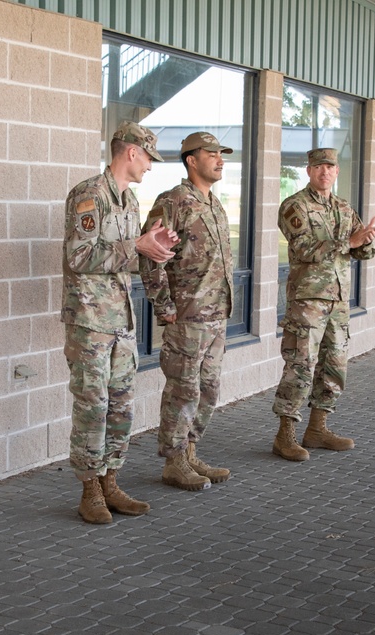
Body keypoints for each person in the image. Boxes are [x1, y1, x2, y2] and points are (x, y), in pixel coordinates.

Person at [62, 120, 178, 523]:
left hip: (121, 321)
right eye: (148, 157)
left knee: (121, 407)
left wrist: (153, 250)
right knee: (93, 407)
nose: (149, 166)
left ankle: (111, 481)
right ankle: (89, 490)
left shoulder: (129, 202)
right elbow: (78, 257)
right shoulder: (89, 195)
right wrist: (136, 246)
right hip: (91, 323)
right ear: (131, 152)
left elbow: (127, 257)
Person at [140, 132, 235, 492]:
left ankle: (191, 451)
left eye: (221, 154)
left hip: (215, 316)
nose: (220, 159)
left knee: (208, 391)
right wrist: (164, 308)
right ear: (191, 160)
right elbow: (150, 256)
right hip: (187, 317)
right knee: (184, 390)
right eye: (212, 153)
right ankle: (174, 461)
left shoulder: (214, 204)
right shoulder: (173, 201)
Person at [272, 148, 375, 462]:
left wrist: (369, 239)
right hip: (308, 302)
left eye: (330, 167)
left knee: (334, 367)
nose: (325, 172)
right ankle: (284, 436)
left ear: (337, 172)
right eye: (319, 166)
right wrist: (350, 242)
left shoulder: (343, 207)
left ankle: (318, 429)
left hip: (338, 303)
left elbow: (362, 253)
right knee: (300, 366)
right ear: (309, 170)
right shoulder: (295, 205)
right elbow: (303, 247)